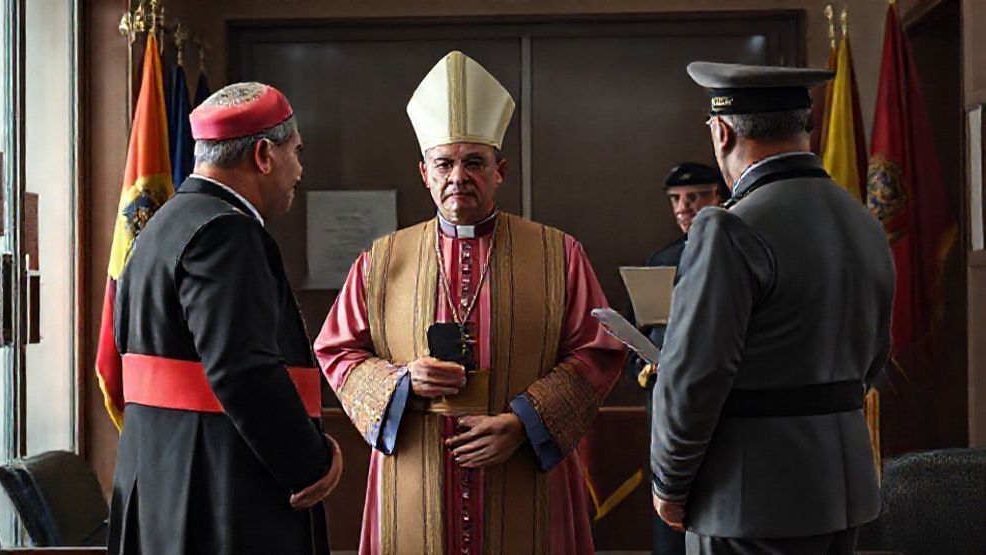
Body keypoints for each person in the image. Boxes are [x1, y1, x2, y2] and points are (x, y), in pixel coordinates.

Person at [315, 51, 625, 554]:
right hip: (416, 472)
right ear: (425, 173)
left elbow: (598, 353)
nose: (459, 176)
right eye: (445, 163)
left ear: (500, 170)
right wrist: (401, 381)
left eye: (474, 162)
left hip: (523, 472)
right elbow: (337, 352)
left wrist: (525, 424)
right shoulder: (381, 260)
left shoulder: (557, 254)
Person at [650, 61, 895, 555]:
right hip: (842, 488)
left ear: (721, 132)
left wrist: (670, 483)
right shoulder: (863, 220)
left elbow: (695, 376)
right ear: (803, 125)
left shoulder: (728, 228)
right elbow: (874, 357)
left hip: (749, 499)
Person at [107, 82, 342, 555]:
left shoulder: (161, 224)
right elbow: (243, 371)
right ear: (263, 155)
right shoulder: (226, 233)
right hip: (218, 492)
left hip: (161, 479)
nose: (300, 169)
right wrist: (311, 464)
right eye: (294, 152)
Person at [631, 161, 725, 555]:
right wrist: (643, 364)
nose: (683, 207)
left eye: (694, 197)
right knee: (668, 531)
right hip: (666, 409)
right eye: (676, 199)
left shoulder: (732, 251)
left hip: (715, 408)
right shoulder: (662, 259)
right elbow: (648, 332)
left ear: (718, 196)